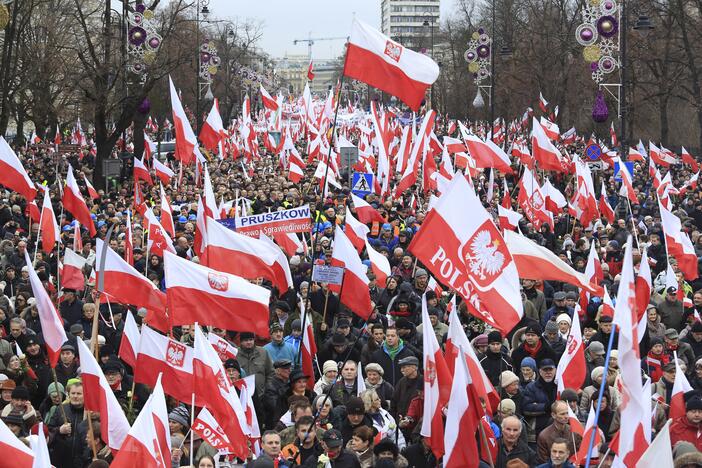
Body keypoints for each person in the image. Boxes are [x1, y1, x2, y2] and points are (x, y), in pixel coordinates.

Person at [522, 358, 558, 437]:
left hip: (558, 429)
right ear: (540, 371)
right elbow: (526, 407)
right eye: (545, 370)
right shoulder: (531, 387)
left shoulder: (560, 386)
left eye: (550, 370)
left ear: (555, 370)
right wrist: (545, 407)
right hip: (538, 430)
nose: (548, 373)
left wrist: (538, 405)